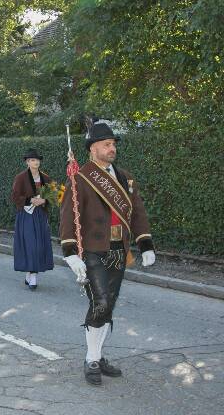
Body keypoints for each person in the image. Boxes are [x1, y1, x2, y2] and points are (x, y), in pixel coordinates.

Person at [60, 122, 156, 386]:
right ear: (93, 149)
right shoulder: (81, 177)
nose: (112, 148)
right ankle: (91, 358)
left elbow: (137, 213)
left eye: (113, 144)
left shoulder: (125, 177)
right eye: (107, 144)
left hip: (119, 249)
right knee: (100, 302)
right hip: (93, 250)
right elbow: (69, 214)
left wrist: (145, 243)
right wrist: (70, 252)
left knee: (109, 305)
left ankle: (98, 355)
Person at [10, 149, 54, 290]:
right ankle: (32, 276)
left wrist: (44, 201)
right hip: (26, 216)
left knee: (39, 245)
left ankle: (30, 274)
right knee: (30, 244)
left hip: (40, 216)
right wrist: (30, 200)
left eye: (37, 160)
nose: (36, 162)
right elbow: (15, 197)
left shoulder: (46, 178)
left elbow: (52, 195)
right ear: (27, 162)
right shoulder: (21, 178)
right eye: (33, 160)